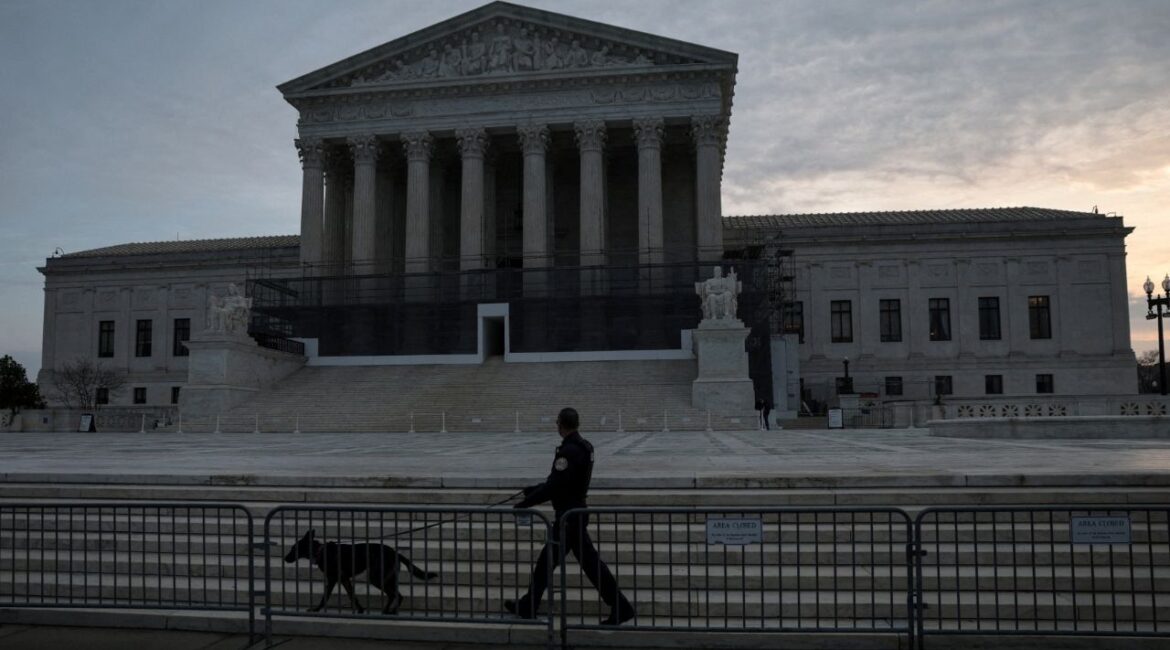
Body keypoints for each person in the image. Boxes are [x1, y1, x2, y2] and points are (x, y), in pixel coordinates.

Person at [506, 407, 635, 625]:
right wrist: (532, 489)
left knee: (571, 564)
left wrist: (525, 503)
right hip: (574, 513)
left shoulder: (568, 451)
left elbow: (555, 486)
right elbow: (560, 482)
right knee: (557, 563)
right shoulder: (584, 446)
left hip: (569, 517)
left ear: (561, 424)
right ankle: (529, 604)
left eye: (557, 423)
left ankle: (621, 606)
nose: (556, 426)